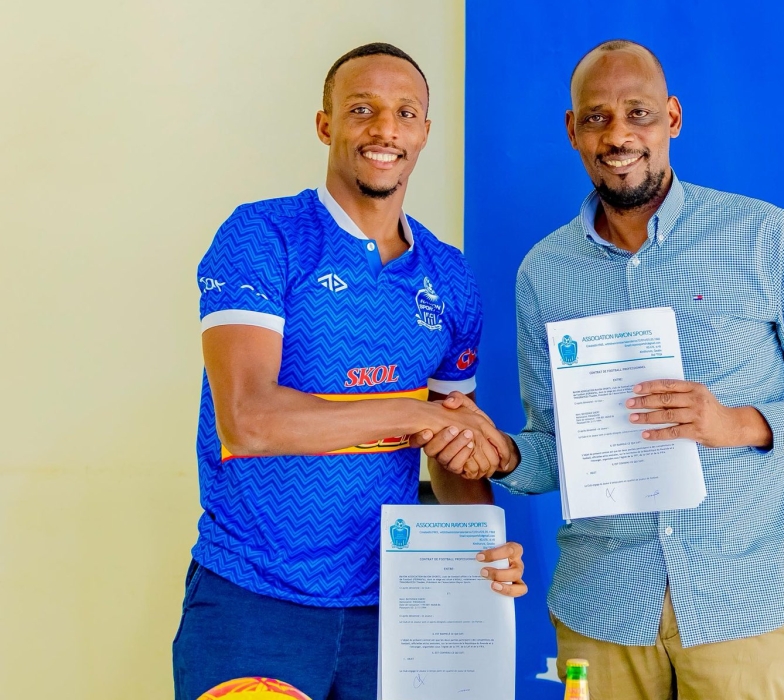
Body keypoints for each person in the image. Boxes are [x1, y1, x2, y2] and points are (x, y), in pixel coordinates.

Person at [420, 40, 784, 699]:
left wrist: (740, 423)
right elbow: (555, 446)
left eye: (638, 113)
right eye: (596, 117)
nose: (618, 135)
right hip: (603, 613)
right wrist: (502, 458)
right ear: (572, 131)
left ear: (672, 117)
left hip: (740, 610)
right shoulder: (544, 274)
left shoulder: (762, 236)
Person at [173, 43, 524, 700]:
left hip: (394, 608)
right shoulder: (264, 236)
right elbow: (248, 420)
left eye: (405, 112)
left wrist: (482, 542)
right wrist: (411, 412)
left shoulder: (448, 278)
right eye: (361, 109)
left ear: (423, 131)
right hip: (254, 600)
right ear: (326, 124)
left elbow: (452, 448)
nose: (384, 129)